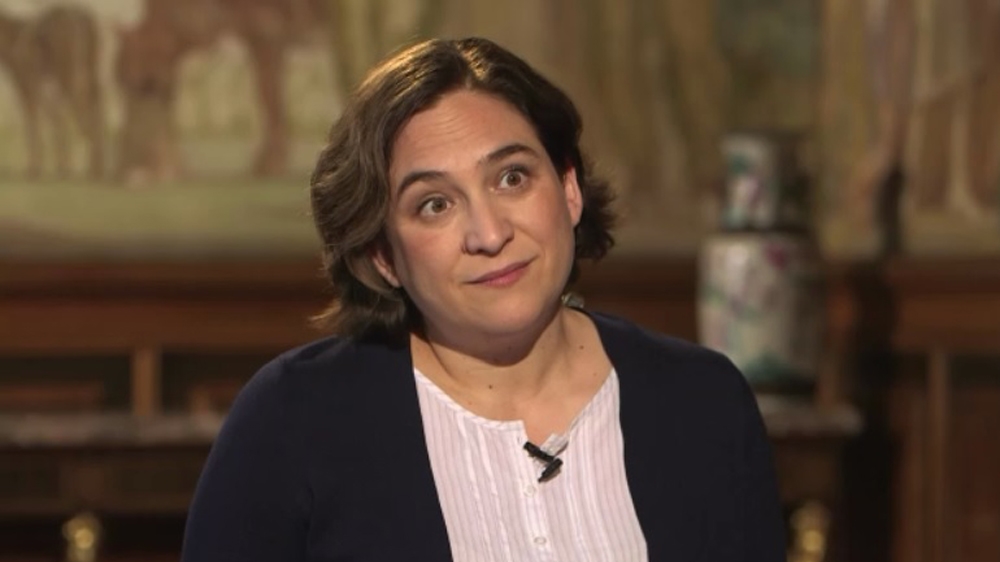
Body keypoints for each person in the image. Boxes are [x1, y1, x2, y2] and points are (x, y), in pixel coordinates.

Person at [181, 37, 785, 562]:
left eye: (512, 177)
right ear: (383, 255)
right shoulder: (293, 421)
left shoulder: (703, 404)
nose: (490, 234)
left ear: (569, 189)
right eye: (434, 204)